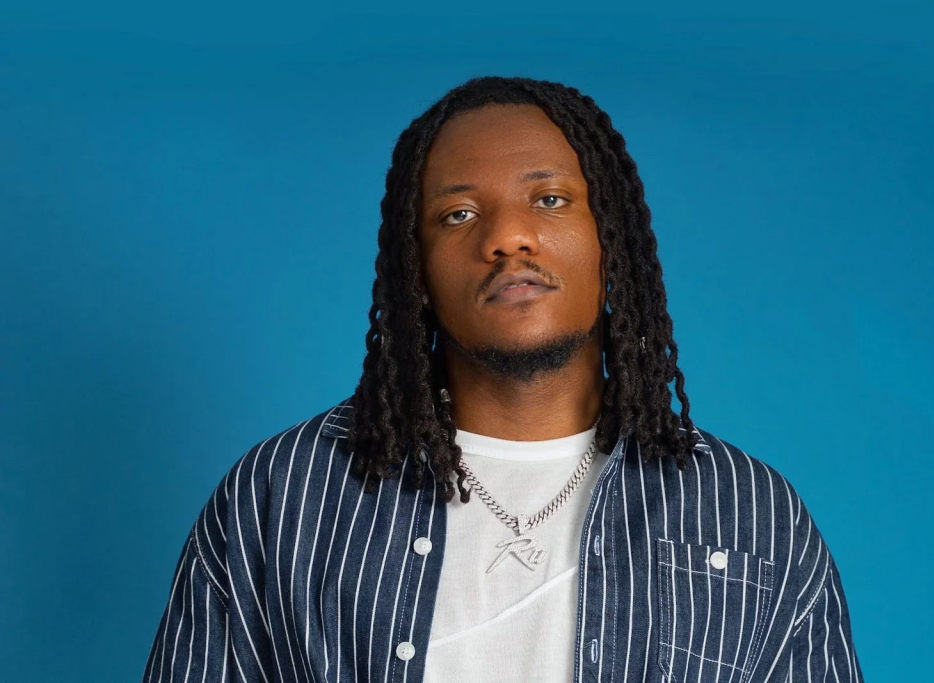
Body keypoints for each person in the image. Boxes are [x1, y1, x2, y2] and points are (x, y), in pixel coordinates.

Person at [142, 76, 863, 683]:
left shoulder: (750, 512)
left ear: (609, 238)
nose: (505, 237)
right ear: (416, 270)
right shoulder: (284, 495)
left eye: (548, 199)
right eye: (458, 214)